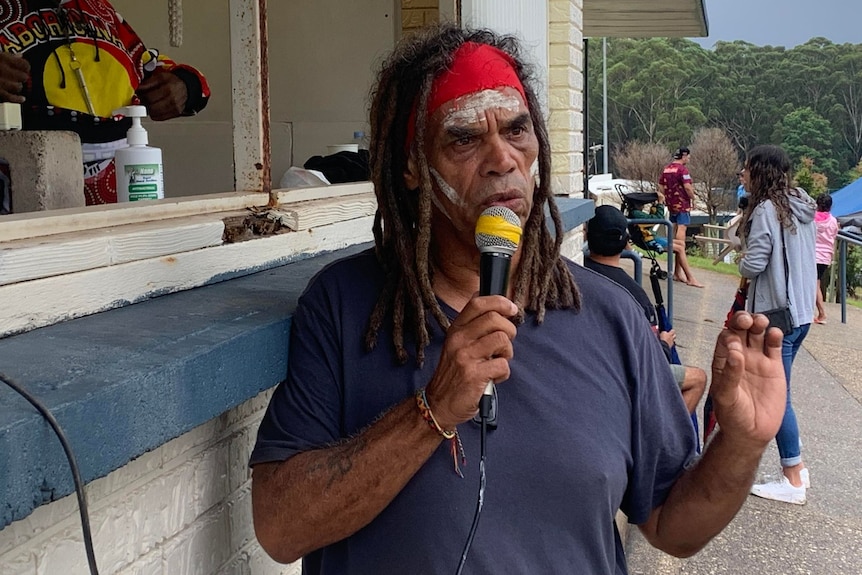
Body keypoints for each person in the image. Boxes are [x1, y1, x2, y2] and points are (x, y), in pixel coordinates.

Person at [249, 24, 787, 574]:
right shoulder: (344, 306)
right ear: (412, 166)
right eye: (463, 138)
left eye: (516, 130)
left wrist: (741, 444)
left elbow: (674, 527)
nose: (501, 159)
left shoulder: (611, 316)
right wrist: (431, 411)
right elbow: (280, 528)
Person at [0, 0, 210, 209]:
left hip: (118, 193)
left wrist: (185, 85)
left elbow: (145, 64)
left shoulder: (97, 8)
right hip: (22, 196)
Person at [738, 145, 816, 505]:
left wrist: (740, 257)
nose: (742, 173)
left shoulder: (768, 210)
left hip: (776, 318)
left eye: (747, 168)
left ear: (760, 172)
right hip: (801, 315)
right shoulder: (801, 204)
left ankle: (792, 476)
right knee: (783, 390)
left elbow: (754, 263)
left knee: (776, 396)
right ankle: (796, 466)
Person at [585, 205, 707, 414]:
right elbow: (649, 360)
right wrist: (665, 345)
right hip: (625, 379)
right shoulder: (634, 296)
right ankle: (669, 437)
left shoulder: (574, 274)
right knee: (698, 378)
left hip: (588, 373)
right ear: (625, 242)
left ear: (587, 236)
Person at [658, 147, 704, 287]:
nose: (689, 159)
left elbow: (660, 185)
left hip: (671, 205)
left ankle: (677, 271)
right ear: (684, 156)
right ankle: (681, 257)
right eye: (688, 156)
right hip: (682, 204)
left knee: (674, 229)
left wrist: (666, 197)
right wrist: (693, 198)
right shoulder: (682, 170)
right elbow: (688, 187)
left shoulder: (666, 169)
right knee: (681, 232)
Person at [813, 193, 838, 324]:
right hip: (825, 256)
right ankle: (819, 313)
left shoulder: (812, 219)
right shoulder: (833, 221)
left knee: (813, 285)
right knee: (815, 283)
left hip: (813, 255)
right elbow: (833, 237)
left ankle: (822, 313)